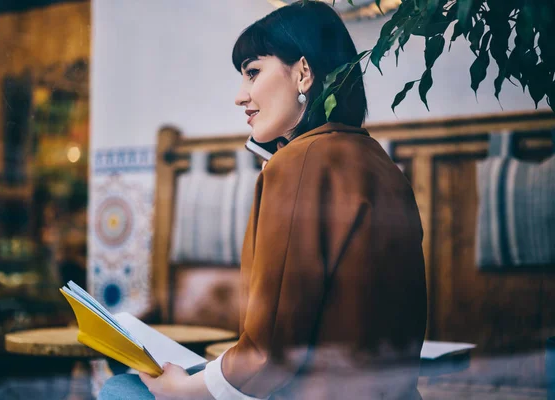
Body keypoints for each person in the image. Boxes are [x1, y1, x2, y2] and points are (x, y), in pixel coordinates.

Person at [99, 1, 427, 399]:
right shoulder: (380, 164)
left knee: (122, 388)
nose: (241, 96)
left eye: (253, 72)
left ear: (303, 73)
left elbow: (271, 353)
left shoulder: (301, 162)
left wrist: (184, 391)